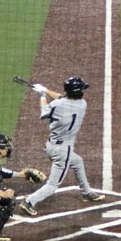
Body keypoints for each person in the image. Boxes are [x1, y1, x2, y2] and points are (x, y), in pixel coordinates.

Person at [18, 77, 104, 216]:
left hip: (51, 146)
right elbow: (62, 98)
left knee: (78, 162)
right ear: (78, 92)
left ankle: (86, 192)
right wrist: (45, 90)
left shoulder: (57, 105)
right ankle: (29, 202)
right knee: (53, 185)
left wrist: (43, 95)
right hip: (63, 151)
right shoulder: (82, 104)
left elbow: (44, 112)